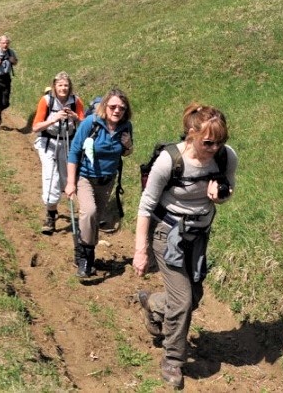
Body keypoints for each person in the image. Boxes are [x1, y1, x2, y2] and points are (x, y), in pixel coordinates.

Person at [132, 103, 237, 390]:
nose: (215, 147)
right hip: (167, 235)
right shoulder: (169, 161)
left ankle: (152, 304)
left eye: (220, 141)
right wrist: (140, 250)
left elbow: (229, 187)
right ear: (191, 134)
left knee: (194, 296)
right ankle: (173, 361)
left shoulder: (226, 157)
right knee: (182, 301)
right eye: (208, 142)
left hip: (199, 235)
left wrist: (221, 196)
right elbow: (146, 205)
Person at [65, 87, 133, 279]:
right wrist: (71, 182)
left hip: (107, 180)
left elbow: (126, 152)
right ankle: (86, 259)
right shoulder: (90, 123)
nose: (117, 110)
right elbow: (74, 152)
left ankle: (83, 250)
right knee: (89, 212)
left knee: (94, 220)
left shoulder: (126, 127)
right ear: (105, 106)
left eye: (121, 107)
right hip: (85, 177)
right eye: (113, 106)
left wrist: (128, 147)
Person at [31, 72, 85, 234]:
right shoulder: (46, 101)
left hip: (68, 143)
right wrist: (54, 119)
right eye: (60, 85)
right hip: (48, 143)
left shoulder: (76, 101)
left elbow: (85, 124)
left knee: (65, 179)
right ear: (54, 86)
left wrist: (75, 117)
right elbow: (35, 127)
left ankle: (54, 209)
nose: (63, 88)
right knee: (51, 177)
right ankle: (50, 216)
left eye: (66, 85)